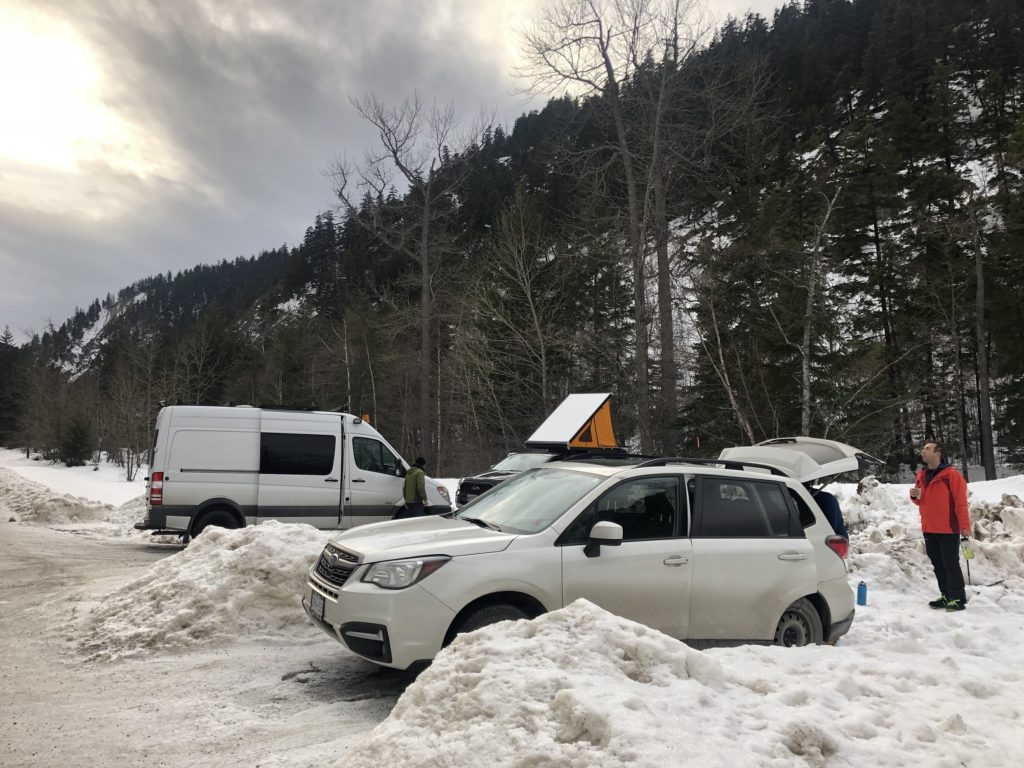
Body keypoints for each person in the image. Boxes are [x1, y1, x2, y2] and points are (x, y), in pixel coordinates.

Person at [910, 440, 971, 611]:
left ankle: (957, 599)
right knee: (938, 564)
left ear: (939, 453)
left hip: (947, 528)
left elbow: (960, 503)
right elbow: (922, 501)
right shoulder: (921, 475)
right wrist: (915, 497)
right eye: (923, 449)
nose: (923, 451)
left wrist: (965, 525)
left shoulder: (951, 475)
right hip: (929, 528)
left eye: (927, 449)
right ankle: (946, 596)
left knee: (950, 564)